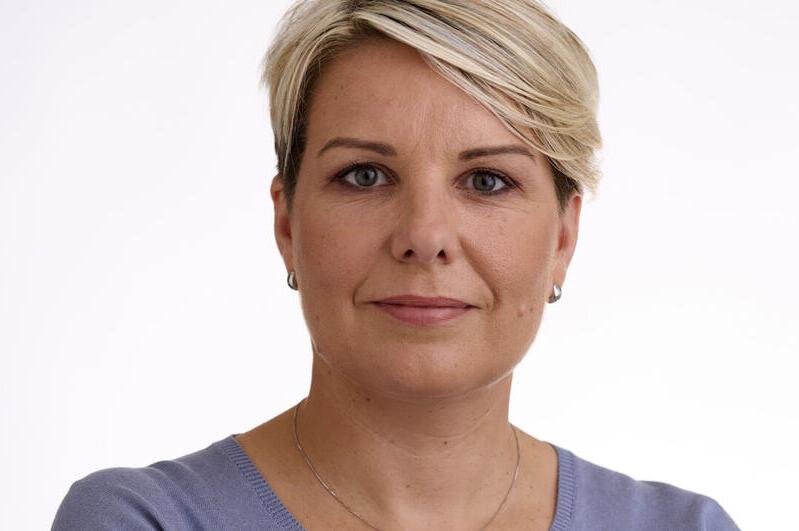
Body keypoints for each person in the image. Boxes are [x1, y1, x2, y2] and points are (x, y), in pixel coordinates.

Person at [52, 1, 740, 529]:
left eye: (487, 181)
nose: (424, 236)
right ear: (287, 224)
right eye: (364, 175)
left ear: (563, 236)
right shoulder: (147, 520)